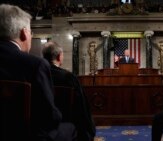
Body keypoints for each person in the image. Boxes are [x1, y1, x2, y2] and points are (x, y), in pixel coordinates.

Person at [0, 4, 76, 141]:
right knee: (71, 128)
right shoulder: (35, 65)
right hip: (24, 135)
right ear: (24, 33)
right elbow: (49, 116)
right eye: (31, 32)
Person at [42, 41, 96, 141]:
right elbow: (81, 107)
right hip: (67, 124)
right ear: (59, 57)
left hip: (40, 126)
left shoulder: (36, 74)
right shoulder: (68, 78)